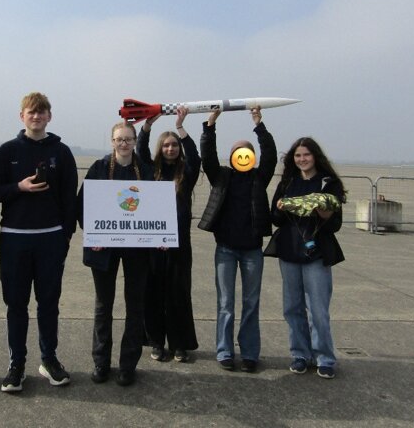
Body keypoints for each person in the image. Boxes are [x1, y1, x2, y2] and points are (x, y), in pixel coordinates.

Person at [0, 92, 78, 393]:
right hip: (15, 239)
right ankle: (16, 365)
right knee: (16, 304)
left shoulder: (62, 152)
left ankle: (49, 359)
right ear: (22, 116)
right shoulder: (8, 151)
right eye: (31, 112)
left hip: (51, 239)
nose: (37, 117)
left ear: (49, 117)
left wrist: (65, 235)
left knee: (48, 303)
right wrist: (19, 187)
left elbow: (69, 197)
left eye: (42, 112)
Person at [198, 106, 276, 373]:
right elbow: (207, 156)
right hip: (226, 250)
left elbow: (271, 155)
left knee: (251, 304)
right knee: (225, 304)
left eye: (247, 153)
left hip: (253, 250)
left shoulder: (259, 178)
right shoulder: (221, 176)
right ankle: (225, 351)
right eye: (237, 153)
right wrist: (210, 125)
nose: (242, 156)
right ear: (232, 158)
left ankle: (250, 353)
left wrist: (258, 125)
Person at [78, 121, 154, 386]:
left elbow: (156, 207)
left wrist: (160, 235)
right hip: (104, 249)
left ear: (135, 142)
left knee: (135, 306)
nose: (124, 144)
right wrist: (94, 234)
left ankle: (128, 365)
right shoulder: (99, 168)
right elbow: (83, 205)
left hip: (137, 248)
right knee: (103, 305)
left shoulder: (145, 170)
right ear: (112, 142)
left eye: (128, 139)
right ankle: (101, 362)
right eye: (119, 139)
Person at [267, 137, 346, 379]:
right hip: (289, 251)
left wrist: (323, 212)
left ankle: (324, 357)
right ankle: (300, 354)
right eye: (298, 155)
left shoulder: (328, 183)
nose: (302, 159)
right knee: (292, 308)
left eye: (306, 155)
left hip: (316, 253)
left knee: (318, 310)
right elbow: (275, 219)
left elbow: (335, 224)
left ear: (315, 156)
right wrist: (280, 208)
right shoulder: (288, 182)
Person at [136, 107, 200, 363]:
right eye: (166, 145)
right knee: (153, 294)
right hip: (152, 244)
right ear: (160, 148)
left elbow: (195, 157)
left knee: (178, 295)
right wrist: (147, 126)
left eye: (174, 145)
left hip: (179, 245)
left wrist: (181, 127)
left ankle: (179, 344)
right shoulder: (151, 172)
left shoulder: (187, 173)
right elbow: (141, 151)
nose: (171, 148)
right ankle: (156, 342)